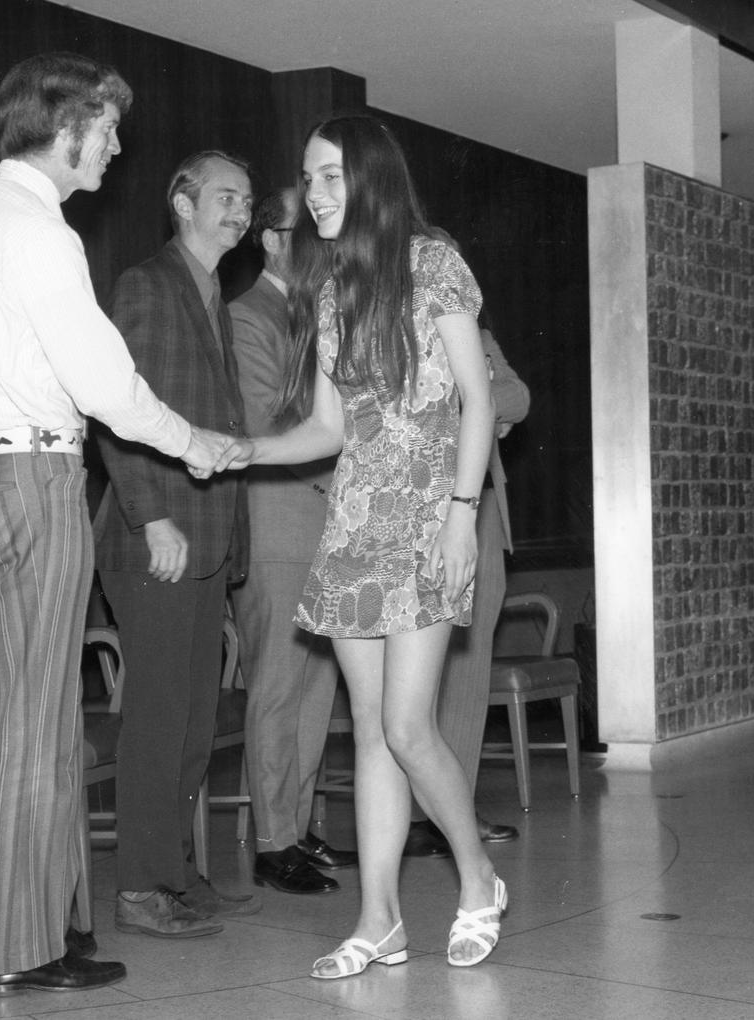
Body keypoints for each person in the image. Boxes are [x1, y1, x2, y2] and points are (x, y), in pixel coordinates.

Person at [0, 53, 239, 996]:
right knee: (32, 723)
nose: (117, 145)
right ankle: (19, 950)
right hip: (35, 479)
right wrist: (192, 443)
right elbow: (103, 381)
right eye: (107, 129)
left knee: (50, 718)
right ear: (67, 129)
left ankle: (55, 925)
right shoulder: (39, 232)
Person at [228, 114, 506, 973]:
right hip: (353, 527)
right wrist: (246, 447)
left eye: (330, 177)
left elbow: (478, 400)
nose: (313, 195)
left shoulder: (433, 264)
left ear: (372, 179)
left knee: (407, 725)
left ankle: (479, 880)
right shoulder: (332, 285)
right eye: (308, 179)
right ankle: (378, 918)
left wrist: (463, 514)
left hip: (428, 518)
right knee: (371, 730)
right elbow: (325, 425)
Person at [93, 151, 259, 938]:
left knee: (195, 721)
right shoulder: (147, 284)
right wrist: (151, 515)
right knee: (159, 719)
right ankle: (139, 889)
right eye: (227, 197)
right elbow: (118, 408)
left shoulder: (212, 293)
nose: (242, 210)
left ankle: (174, 874)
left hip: (206, 538)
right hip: (156, 536)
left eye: (248, 200)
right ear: (182, 203)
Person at [229, 187, 356, 895]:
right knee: (279, 687)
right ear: (272, 240)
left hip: (327, 519)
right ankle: (273, 839)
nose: (322, 243)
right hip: (279, 517)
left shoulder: (317, 313)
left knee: (317, 688)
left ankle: (299, 828)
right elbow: (269, 419)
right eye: (305, 230)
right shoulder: (247, 315)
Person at [405, 304, 530, 858]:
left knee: (470, 667)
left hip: (479, 515)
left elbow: (518, 397)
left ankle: (455, 810)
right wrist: (478, 407)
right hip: (419, 516)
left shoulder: (478, 333)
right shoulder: (399, 332)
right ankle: (414, 812)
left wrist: (474, 402)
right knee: (413, 679)